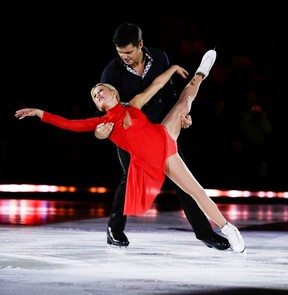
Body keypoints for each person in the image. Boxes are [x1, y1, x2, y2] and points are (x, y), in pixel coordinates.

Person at [15, 49, 246, 253]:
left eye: (100, 90)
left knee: (185, 99)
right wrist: (39, 113)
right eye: (95, 96)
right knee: (196, 191)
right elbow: (69, 124)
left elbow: (157, 85)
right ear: (97, 105)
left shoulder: (133, 103)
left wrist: (174, 67)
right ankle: (227, 228)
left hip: (163, 134)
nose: (97, 94)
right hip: (160, 157)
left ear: (114, 93)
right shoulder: (103, 123)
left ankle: (201, 72)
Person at [95, 23, 230, 250]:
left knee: (184, 182)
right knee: (130, 180)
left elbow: (170, 95)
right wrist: (101, 131)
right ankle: (114, 230)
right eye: (120, 53)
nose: (124, 57)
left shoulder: (159, 59)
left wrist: (182, 117)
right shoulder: (112, 72)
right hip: (132, 135)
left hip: (160, 129)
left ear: (140, 44)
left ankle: (205, 234)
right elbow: (102, 111)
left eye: (128, 52)